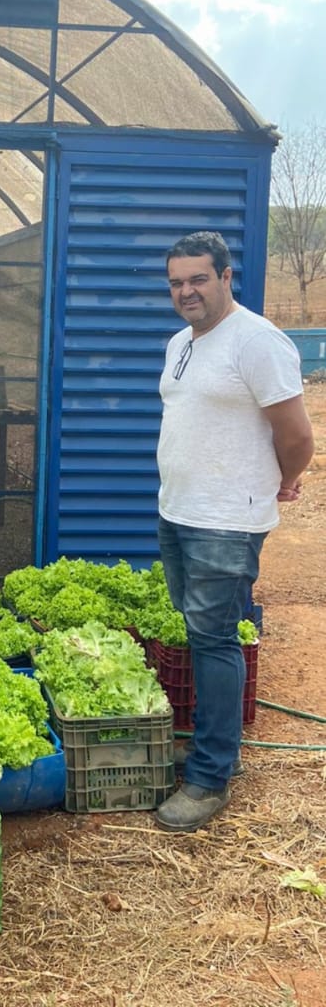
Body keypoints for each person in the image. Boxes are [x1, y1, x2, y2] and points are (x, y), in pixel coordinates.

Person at [153, 230, 313, 833]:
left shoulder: (258, 341)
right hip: (179, 509)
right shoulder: (181, 343)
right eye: (176, 282)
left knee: (215, 638)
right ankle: (211, 749)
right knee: (200, 631)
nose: (186, 290)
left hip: (226, 518)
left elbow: (297, 436)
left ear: (225, 276)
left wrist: (282, 481)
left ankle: (212, 775)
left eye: (197, 278)